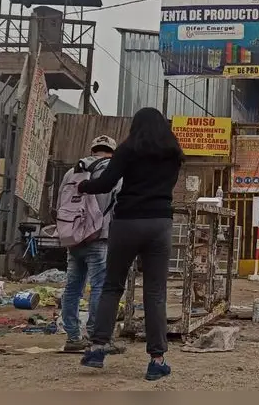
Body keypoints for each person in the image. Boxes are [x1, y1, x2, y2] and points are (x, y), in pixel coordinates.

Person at [77, 108, 184, 381]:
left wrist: (84, 186)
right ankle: (157, 359)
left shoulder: (127, 149)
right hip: (159, 223)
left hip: (126, 223)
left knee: (113, 286)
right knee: (156, 292)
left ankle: (97, 348)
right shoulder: (173, 153)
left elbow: (106, 184)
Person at [59, 135, 121, 353]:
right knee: (99, 287)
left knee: (73, 287)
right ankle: (97, 336)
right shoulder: (111, 171)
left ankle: (73, 337)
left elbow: (60, 205)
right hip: (99, 237)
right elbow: (118, 205)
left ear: (93, 149)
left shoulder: (72, 171)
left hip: (73, 238)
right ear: (112, 152)